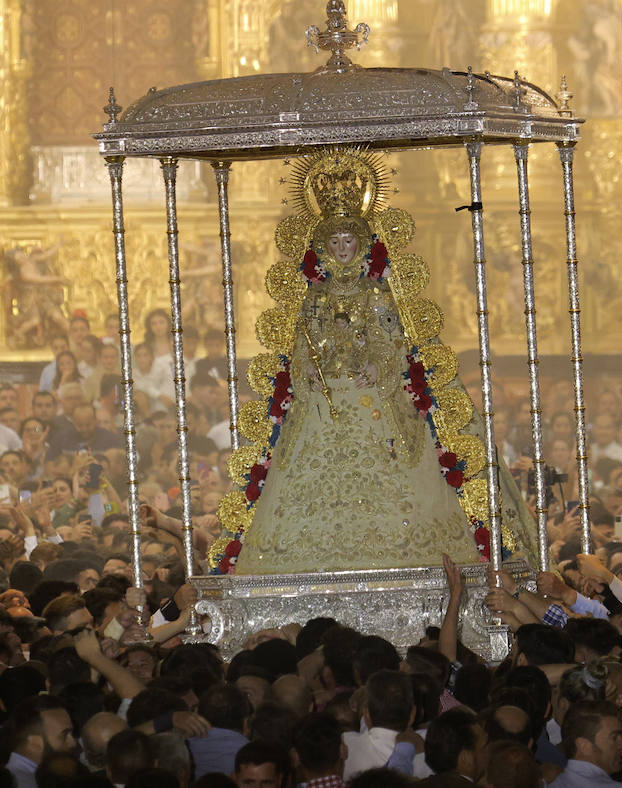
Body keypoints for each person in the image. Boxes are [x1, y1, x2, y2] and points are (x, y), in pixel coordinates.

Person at [228, 148, 534, 574]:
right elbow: (300, 347)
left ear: (362, 241)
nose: (343, 249)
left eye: (349, 241)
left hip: (376, 397)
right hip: (322, 401)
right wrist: (308, 372)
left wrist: (380, 365)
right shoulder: (313, 296)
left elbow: (395, 339)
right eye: (334, 243)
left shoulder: (379, 291)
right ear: (323, 246)